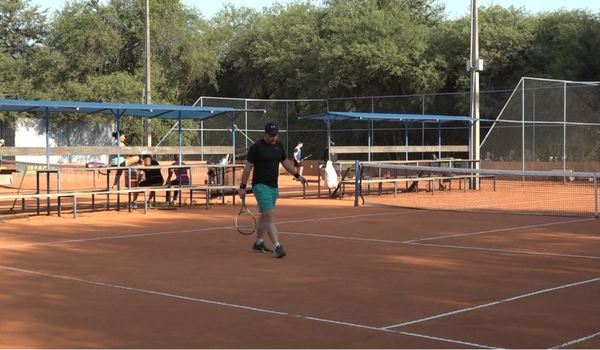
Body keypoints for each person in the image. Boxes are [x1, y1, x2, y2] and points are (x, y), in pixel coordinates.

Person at [238, 122, 307, 258]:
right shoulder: (256, 148)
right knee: (269, 217)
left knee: (264, 215)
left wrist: (297, 175)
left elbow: (285, 162)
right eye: (271, 135)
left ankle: (258, 243)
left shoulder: (278, 146)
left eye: (275, 135)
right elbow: (248, 168)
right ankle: (277, 246)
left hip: (273, 187)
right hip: (260, 186)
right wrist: (242, 187)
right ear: (265, 134)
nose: (273, 138)